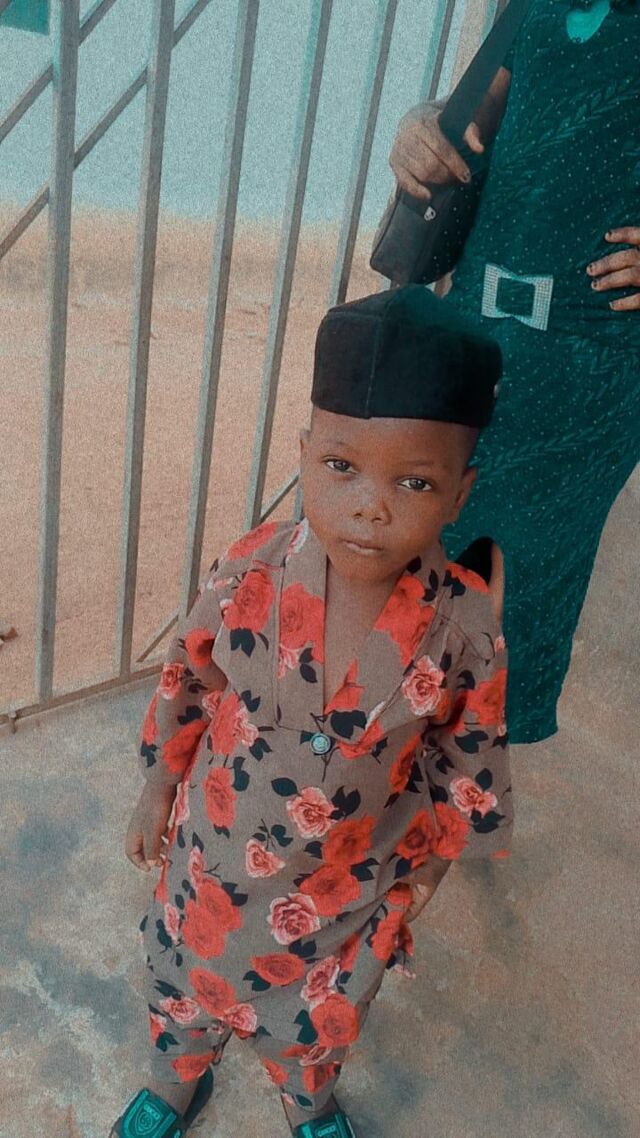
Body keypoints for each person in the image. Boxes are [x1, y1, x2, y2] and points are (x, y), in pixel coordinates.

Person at [109, 286, 513, 1138]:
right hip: (214, 859)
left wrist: (435, 868)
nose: (371, 504)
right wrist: (156, 788)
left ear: (460, 494)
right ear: (304, 454)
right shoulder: (250, 568)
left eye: (414, 481)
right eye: (340, 467)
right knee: (181, 989)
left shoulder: (465, 627)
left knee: (316, 1027)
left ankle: (309, 1101)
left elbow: (466, 755)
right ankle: (176, 1082)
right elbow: (187, 679)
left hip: (346, 891)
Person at [389, 0, 640, 744]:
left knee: (518, 598)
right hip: (470, 322)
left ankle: (459, 782)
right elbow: (471, 118)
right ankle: (363, 755)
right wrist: (419, 127)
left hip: (591, 366)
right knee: (403, 551)